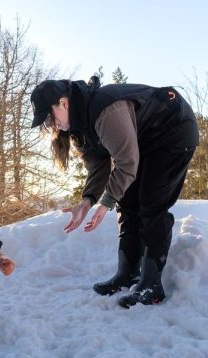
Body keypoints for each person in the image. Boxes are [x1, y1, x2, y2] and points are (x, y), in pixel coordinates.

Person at [30, 76, 198, 308]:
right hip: (144, 141)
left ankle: (151, 286)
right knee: (127, 203)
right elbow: (99, 167)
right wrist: (87, 201)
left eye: (49, 118)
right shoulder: (80, 129)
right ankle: (127, 274)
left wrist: (106, 201)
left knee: (151, 204)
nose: (51, 126)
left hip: (173, 130)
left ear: (64, 103)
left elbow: (127, 163)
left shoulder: (106, 110)